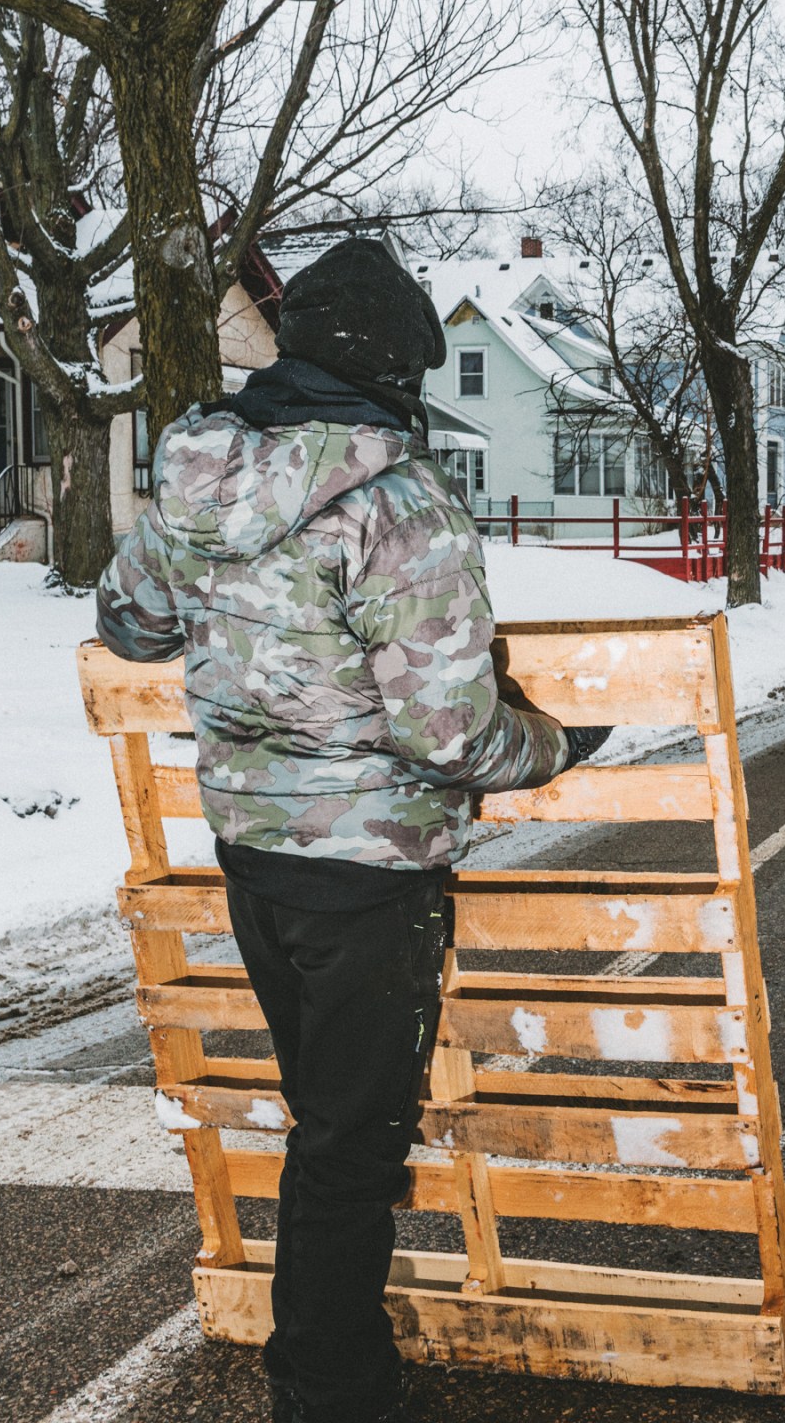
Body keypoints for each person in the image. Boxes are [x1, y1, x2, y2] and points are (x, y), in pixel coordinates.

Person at [94, 237, 608, 1423]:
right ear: (398, 373)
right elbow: (451, 735)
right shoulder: (396, 505)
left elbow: (128, 623)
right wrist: (555, 745)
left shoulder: (199, 474)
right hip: (369, 874)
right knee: (354, 1146)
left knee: (328, 1125)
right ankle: (330, 1393)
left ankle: (333, 1370)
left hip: (255, 859)